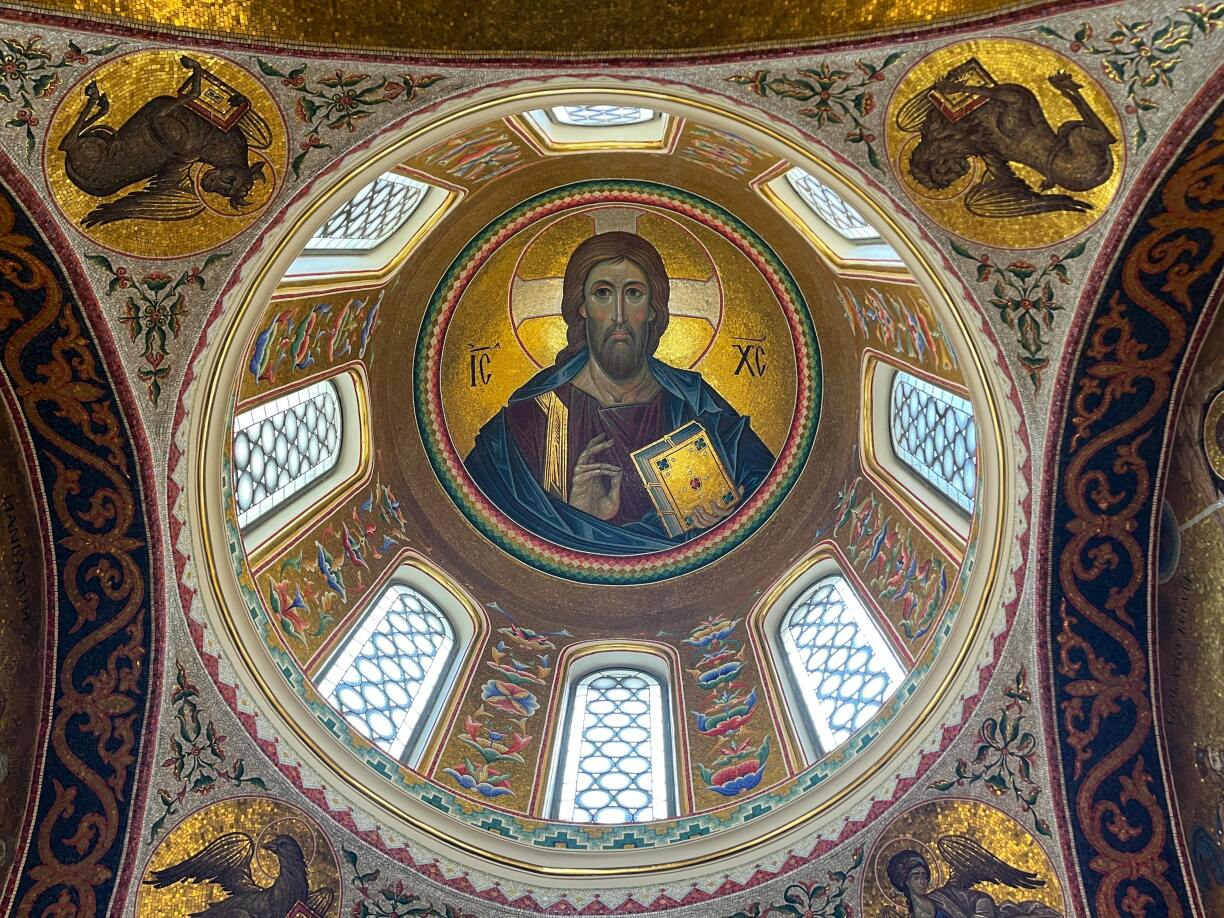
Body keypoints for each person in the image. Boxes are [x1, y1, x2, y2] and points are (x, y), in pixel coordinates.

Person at [463, 231, 774, 555]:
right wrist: (580, 516)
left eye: (634, 293)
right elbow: (476, 522)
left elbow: (765, 492)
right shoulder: (531, 417)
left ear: (653, 309)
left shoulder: (696, 405)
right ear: (581, 307)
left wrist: (729, 516)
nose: (619, 315)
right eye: (602, 293)